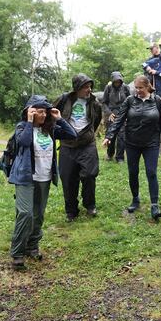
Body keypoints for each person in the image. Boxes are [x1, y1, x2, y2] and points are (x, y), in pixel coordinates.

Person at [7, 95, 76, 270]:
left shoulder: (50, 129)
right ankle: (17, 253)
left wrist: (59, 118)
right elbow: (23, 142)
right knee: (25, 213)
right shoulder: (22, 127)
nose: (43, 115)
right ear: (30, 112)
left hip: (44, 177)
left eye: (45, 112)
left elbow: (71, 134)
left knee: (38, 215)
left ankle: (32, 246)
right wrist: (30, 121)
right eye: (39, 112)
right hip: (25, 177)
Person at [104, 75, 161, 220]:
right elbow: (119, 120)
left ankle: (154, 205)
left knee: (151, 172)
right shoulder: (130, 100)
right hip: (132, 143)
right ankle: (135, 199)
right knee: (133, 173)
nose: (138, 90)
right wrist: (109, 136)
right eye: (136, 88)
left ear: (148, 86)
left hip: (151, 143)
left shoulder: (157, 100)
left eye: (141, 88)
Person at [54, 73, 103, 221]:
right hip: (67, 146)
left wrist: (87, 135)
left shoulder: (94, 103)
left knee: (89, 175)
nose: (89, 90)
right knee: (68, 179)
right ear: (76, 88)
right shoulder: (64, 100)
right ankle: (71, 210)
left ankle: (90, 205)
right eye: (85, 87)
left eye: (90, 87)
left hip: (87, 145)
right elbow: (52, 115)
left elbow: (96, 121)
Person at [103, 71, 131, 162]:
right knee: (111, 134)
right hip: (111, 114)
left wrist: (127, 114)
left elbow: (130, 101)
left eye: (119, 81)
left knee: (121, 136)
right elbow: (104, 103)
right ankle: (110, 154)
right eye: (115, 81)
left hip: (123, 113)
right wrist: (109, 113)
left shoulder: (126, 88)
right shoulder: (108, 88)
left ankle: (120, 157)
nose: (117, 83)